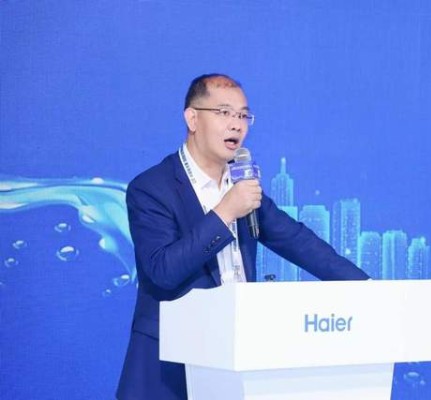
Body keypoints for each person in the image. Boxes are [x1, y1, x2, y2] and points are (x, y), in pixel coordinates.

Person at [116, 74, 370, 399]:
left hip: (233, 363)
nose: (236, 124)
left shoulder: (242, 185)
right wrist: (225, 212)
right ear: (192, 118)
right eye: (224, 112)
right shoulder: (152, 188)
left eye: (243, 115)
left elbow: (298, 242)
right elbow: (163, 270)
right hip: (168, 370)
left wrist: (368, 290)